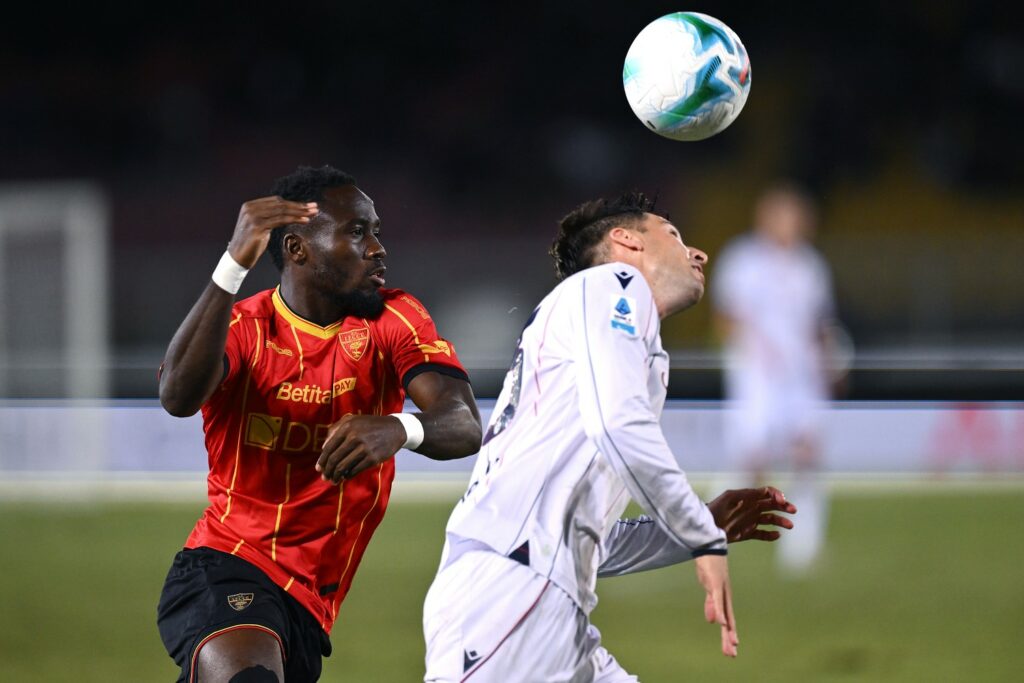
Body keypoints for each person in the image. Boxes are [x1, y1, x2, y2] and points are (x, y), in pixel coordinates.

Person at [421, 192, 797, 682]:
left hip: (537, 600)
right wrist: (700, 536)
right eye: (674, 235)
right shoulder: (612, 283)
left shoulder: (607, 334)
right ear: (626, 241)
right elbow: (618, 423)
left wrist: (699, 524)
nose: (698, 253)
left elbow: (586, 536)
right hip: (508, 601)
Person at [156, 165, 482, 683]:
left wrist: (400, 427)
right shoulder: (245, 328)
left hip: (309, 606)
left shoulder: (393, 319)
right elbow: (176, 396)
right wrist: (233, 263)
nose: (378, 248)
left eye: (376, 231)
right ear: (298, 249)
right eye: (357, 232)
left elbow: (464, 424)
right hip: (227, 565)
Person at [712, 182, 841, 574]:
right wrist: (748, 352)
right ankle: (709, 528)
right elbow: (726, 317)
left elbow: (819, 324)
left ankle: (803, 546)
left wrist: (829, 364)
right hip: (757, 378)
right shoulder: (742, 261)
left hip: (802, 377)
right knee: (751, 459)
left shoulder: (810, 266)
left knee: (807, 453)